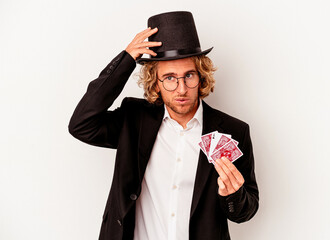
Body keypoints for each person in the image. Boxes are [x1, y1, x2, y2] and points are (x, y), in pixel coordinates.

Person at [69, 11, 259, 240]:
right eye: (169, 78)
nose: (181, 89)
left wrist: (233, 195)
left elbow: (246, 211)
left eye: (189, 75)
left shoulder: (233, 131)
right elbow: (81, 124)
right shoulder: (134, 120)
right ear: (155, 83)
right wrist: (126, 60)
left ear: (202, 77)